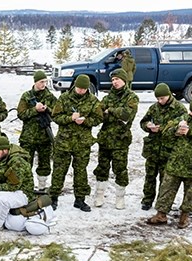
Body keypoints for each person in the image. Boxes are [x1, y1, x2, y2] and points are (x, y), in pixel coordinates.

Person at [147, 96, 192, 229]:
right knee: (166, 189)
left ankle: (184, 217)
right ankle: (161, 214)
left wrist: (190, 132)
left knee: (191, 194)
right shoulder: (183, 118)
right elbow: (165, 131)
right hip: (176, 162)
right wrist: (176, 131)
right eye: (191, 112)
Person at [50, 74, 103, 212]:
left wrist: (85, 121)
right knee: (59, 171)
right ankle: (53, 198)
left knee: (81, 172)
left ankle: (80, 200)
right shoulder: (64, 98)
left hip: (82, 143)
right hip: (64, 141)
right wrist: (69, 118)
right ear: (75, 86)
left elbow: (98, 118)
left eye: (84, 89)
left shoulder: (93, 101)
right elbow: (55, 116)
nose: (81, 91)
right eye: (79, 88)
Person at [93, 68, 139, 209]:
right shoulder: (107, 97)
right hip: (105, 139)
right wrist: (112, 113)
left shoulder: (131, 97)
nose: (114, 82)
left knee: (120, 169)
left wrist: (111, 110)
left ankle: (120, 198)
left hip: (120, 140)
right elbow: (100, 115)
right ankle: (99, 195)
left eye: (117, 79)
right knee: (102, 168)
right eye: (112, 80)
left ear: (124, 80)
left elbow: (127, 115)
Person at [139, 83, 187, 210]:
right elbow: (143, 122)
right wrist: (148, 126)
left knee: (165, 179)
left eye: (162, 98)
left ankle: (162, 202)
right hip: (153, 149)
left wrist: (172, 130)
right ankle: (147, 200)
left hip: (168, 150)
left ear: (169, 95)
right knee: (150, 176)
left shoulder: (179, 109)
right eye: (158, 99)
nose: (160, 101)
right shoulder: (154, 108)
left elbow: (184, 126)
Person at [16, 70, 57, 191]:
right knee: (25, 163)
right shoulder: (26, 96)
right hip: (28, 137)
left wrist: (47, 109)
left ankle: (42, 187)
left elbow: (57, 113)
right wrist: (35, 110)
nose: (44, 84)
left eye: (45, 82)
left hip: (45, 137)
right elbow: (21, 114)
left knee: (44, 164)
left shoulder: (49, 96)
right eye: (41, 82)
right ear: (35, 82)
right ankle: (26, 187)